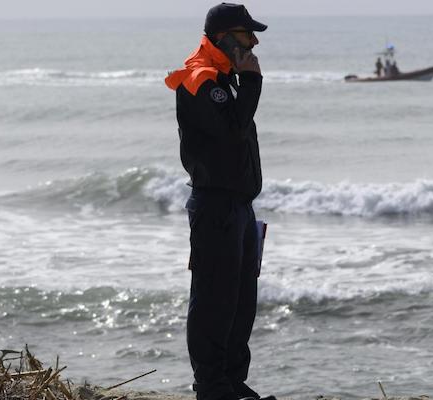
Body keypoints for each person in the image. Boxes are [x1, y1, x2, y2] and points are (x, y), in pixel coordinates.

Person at [164, 3, 273, 400]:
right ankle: (211, 387)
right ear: (225, 37)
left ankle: (231, 381)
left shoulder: (224, 78)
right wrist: (253, 83)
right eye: (247, 35)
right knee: (214, 300)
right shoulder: (200, 78)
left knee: (241, 302)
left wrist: (244, 81)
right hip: (215, 207)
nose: (255, 42)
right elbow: (232, 131)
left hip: (239, 207)